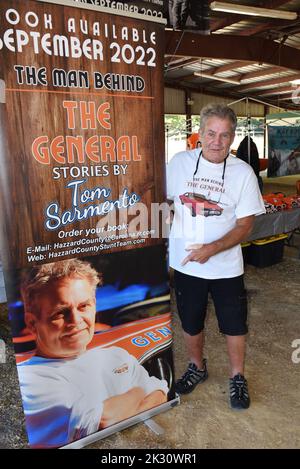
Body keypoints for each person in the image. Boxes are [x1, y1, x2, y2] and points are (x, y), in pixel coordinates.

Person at [167, 104, 265, 410]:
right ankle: (197, 366)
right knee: (190, 321)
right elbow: (166, 200)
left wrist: (212, 249)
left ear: (233, 138)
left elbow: (246, 224)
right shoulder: (180, 162)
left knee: (235, 323)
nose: (216, 141)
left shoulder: (242, 172)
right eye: (211, 133)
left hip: (226, 268)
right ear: (201, 132)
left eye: (224, 135)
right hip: (185, 265)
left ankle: (238, 376)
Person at [17, 259, 168, 448]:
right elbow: (104, 422)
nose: (76, 320)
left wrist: (128, 402)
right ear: (32, 323)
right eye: (60, 313)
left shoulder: (115, 355)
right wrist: (139, 391)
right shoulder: (29, 378)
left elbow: (160, 394)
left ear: (94, 306)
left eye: (83, 306)